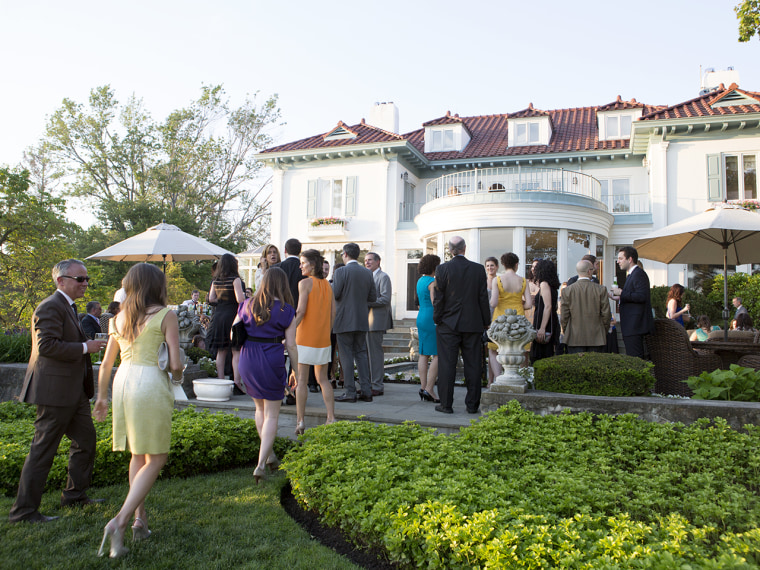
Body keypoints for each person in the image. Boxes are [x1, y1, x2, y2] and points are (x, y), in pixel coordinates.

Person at [93, 263, 183, 558]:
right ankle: (119, 521)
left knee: (137, 453)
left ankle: (139, 521)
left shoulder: (117, 318)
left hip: (122, 382)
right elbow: (175, 364)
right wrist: (179, 379)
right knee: (156, 458)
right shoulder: (166, 315)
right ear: (157, 285)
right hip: (149, 384)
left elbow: (106, 363)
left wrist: (101, 398)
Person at [9, 259, 107, 524]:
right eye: (80, 279)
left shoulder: (68, 307)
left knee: (86, 441)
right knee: (43, 451)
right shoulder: (50, 306)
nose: (85, 284)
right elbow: (47, 346)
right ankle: (24, 511)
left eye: (86, 279)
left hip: (74, 393)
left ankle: (74, 495)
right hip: (55, 392)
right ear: (61, 280)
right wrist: (86, 348)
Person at [234, 267, 297, 484]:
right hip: (271, 356)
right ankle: (260, 464)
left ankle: (269, 456)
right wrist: (295, 370)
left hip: (248, 357)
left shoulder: (246, 305)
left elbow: (233, 331)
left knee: (259, 409)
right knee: (272, 414)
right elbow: (291, 344)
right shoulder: (287, 310)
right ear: (283, 284)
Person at [433, 236, 490, 414]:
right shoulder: (478, 269)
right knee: (473, 365)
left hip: (448, 324)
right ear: (464, 248)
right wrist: (486, 321)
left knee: (447, 365)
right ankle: (472, 405)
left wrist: (437, 318)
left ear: (450, 250)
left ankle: (446, 404)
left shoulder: (442, 269)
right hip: (473, 323)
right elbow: (483, 297)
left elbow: (439, 298)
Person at [293, 249, 336, 433]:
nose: (300, 265)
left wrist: (289, 329)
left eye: (303, 262)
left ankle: (300, 421)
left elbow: (301, 311)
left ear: (312, 264)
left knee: (301, 381)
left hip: (304, 337)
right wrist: (326, 330)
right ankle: (331, 417)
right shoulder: (327, 284)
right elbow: (333, 312)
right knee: (323, 380)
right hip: (323, 338)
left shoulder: (305, 283)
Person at [333, 242, 377, 403]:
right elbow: (373, 297)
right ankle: (366, 390)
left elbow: (335, 294)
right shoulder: (367, 273)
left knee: (346, 356)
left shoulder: (341, 272)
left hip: (343, 319)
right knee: (361, 355)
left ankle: (350, 391)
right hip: (361, 319)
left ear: (345, 254)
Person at [488, 252, 533, 382]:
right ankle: (516, 378)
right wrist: (517, 305)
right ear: (516, 265)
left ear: (503, 264)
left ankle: (498, 379)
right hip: (518, 317)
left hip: (500, 317)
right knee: (517, 349)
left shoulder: (498, 280)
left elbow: (493, 303)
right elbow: (529, 304)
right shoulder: (523, 281)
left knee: (494, 349)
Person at [208, 254, 245, 389]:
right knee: (236, 351)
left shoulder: (215, 280)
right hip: (232, 316)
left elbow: (211, 299)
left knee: (221, 351)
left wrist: (222, 301)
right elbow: (240, 299)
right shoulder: (235, 280)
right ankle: (236, 382)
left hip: (219, 316)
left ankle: (220, 381)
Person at [560, 260, 612, 354]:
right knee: (595, 367)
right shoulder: (601, 289)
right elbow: (606, 314)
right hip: (597, 336)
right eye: (592, 269)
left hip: (574, 336)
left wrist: (565, 330)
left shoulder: (567, 291)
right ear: (589, 271)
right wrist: (604, 329)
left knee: (576, 366)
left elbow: (564, 316)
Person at [610, 246, 654, 359]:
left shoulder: (638, 274)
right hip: (631, 325)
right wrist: (619, 298)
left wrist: (621, 292)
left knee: (636, 359)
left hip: (635, 325)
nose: (618, 261)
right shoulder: (632, 275)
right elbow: (634, 296)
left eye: (620, 258)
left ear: (629, 259)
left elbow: (642, 296)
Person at [365, 252, 393, 396]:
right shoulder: (367, 277)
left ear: (378, 261)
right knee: (368, 354)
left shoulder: (383, 277)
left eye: (370, 260)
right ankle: (369, 384)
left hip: (376, 321)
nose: (367, 263)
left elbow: (385, 299)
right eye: (365, 260)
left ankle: (377, 385)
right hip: (366, 321)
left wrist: (366, 303)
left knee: (375, 354)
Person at [416, 254, 441, 403]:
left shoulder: (420, 280)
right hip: (431, 317)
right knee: (438, 354)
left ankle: (423, 387)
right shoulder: (433, 282)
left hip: (421, 316)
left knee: (423, 353)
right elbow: (435, 302)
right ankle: (430, 389)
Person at [530, 259, 561, 364]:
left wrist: (542, 328)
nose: (534, 270)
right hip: (550, 320)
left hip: (544, 322)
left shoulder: (544, 284)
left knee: (540, 354)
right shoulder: (551, 285)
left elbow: (548, 306)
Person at [276, 239, 306, 307]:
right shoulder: (305, 270)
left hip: (279, 309)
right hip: (298, 309)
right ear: (300, 251)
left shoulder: (275, 268)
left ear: (285, 250)